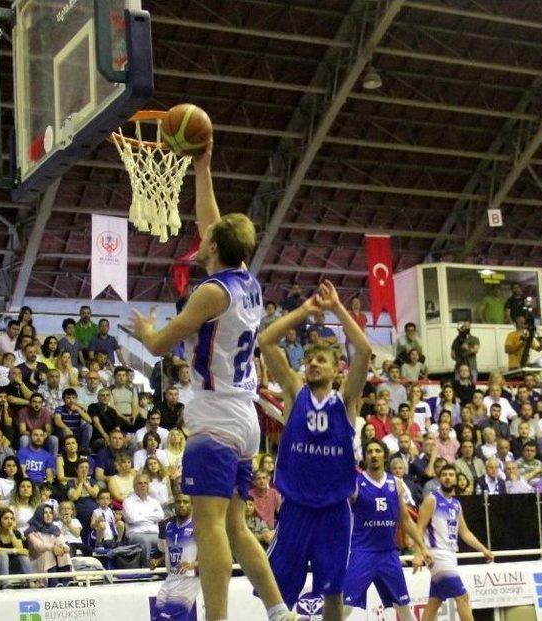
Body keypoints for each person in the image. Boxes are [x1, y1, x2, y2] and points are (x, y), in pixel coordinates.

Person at [124, 144, 306, 621]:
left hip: (215, 416)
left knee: (208, 530)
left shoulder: (209, 292)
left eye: (205, 239)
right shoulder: (247, 279)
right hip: (243, 417)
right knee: (235, 524)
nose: (199, 238)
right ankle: (279, 611)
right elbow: (215, 225)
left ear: (212, 250)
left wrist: (145, 331)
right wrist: (202, 167)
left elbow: (162, 345)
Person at [258, 280, 371, 620]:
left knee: (333, 591)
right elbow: (265, 341)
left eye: (321, 360)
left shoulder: (346, 400)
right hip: (295, 509)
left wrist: (337, 309)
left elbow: (364, 351)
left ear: (337, 370)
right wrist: (304, 311)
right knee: (278, 593)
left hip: (335, 511)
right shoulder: (295, 392)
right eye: (309, 360)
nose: (313, 364)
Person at [341, 439, 432, 621]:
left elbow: (405, 519)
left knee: (404, 607)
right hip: (362, 553)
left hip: (388, 554)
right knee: (345, 606)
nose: (374, 455)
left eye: (377, 451)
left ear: (385, 456)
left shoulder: (396, 483)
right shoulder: (355, 484)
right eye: (370, 452)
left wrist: (422, 547)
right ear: (365, 457)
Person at [417, 464, 494, 621]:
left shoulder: (456, 504)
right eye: (444, 474)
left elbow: (464, 533)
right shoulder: (432, 500)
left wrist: (484, 549)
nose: (447, 477)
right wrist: (419, 553)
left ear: (456, 479)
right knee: (463, 597)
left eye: (451, 475)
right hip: (436, 554)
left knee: (434, 602)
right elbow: (419, 528)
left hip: (450, 555)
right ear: (440, 478)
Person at [152, 493, 201, 621]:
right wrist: (158, 561)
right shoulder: (169, 527)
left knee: (166, 618)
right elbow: (169, 551)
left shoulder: (198, 527)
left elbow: (212, 556)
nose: (181, 505)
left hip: (189, 579)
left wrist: (193, 564)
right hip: (171, 578)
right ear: (174, 505)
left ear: (192, 505)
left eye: (185, 502)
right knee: (157, 616)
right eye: (179, 502)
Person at [25, 504, 72, 582]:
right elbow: (38, 546)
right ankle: (53, 582)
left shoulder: (54, 529)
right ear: (39, 515)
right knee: (47, 553)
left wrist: (64, 548)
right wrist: (53, 548)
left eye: (50, 513)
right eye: (45, 513)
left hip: (53, 558)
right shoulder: (31, 531)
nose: (48, 515)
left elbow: (61, 541)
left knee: (64, 553)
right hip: (37, 560)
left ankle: (66, 581)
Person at [0, 508, 34, 578]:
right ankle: (6, 586)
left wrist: (11, 533)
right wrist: (15, 550)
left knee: (23, 556)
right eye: (6, 518)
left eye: (11, 519)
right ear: (0, 520)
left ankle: (31, 581)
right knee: (3, 555)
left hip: (9, 569)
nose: (9, 521)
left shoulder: (16, 533)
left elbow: (20, 550)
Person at [53, 387, 93, 454]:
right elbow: (57, 420)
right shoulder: (59, 409)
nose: (71, 400)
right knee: (58, 430)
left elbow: (90, 421)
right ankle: (63, 448)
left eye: (73, 398)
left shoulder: (79, 409)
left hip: (75, 434)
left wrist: (79, 410)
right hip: (64, 434)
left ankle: (83, 449)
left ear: (76, 399)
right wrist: (65, 428)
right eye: (68, 398)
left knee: (88, 427)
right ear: (64, 399)